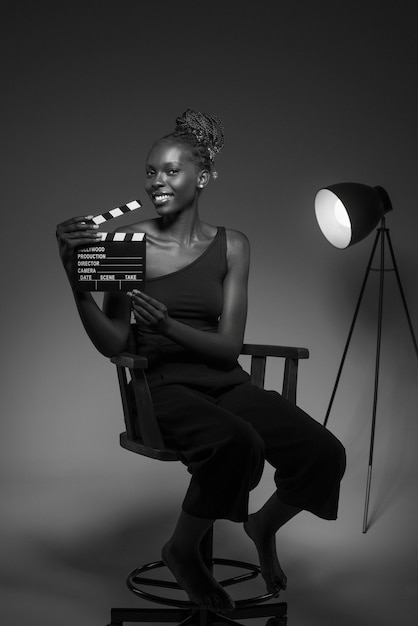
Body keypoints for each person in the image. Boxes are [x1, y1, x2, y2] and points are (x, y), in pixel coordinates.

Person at [56, 109, 346, 615]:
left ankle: (263, 526)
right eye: (150, 171)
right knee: (238, 443)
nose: (156, 182)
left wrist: (168, 325)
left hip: (225, 381)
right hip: (163, 387)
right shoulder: (128, 242)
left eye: (171, 170)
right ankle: (182, 549)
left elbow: (229, 347)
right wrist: (78, 288)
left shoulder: (234, 245)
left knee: (324, 454)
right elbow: (113, 343)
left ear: (204, 176)